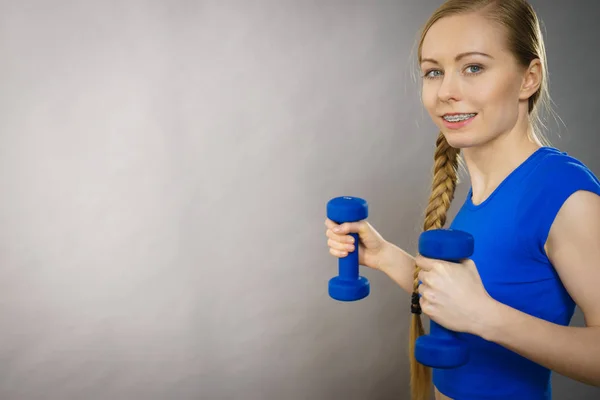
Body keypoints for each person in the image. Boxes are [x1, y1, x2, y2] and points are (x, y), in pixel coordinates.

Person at [324, 1, 600, 399]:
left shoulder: (564, 193)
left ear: (529, 78)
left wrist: (487, 317)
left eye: (473, 67)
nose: (447, 92)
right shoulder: (484, 192)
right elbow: (459, 299)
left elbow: (478, 310)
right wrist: (383, 255)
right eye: (434, 72)